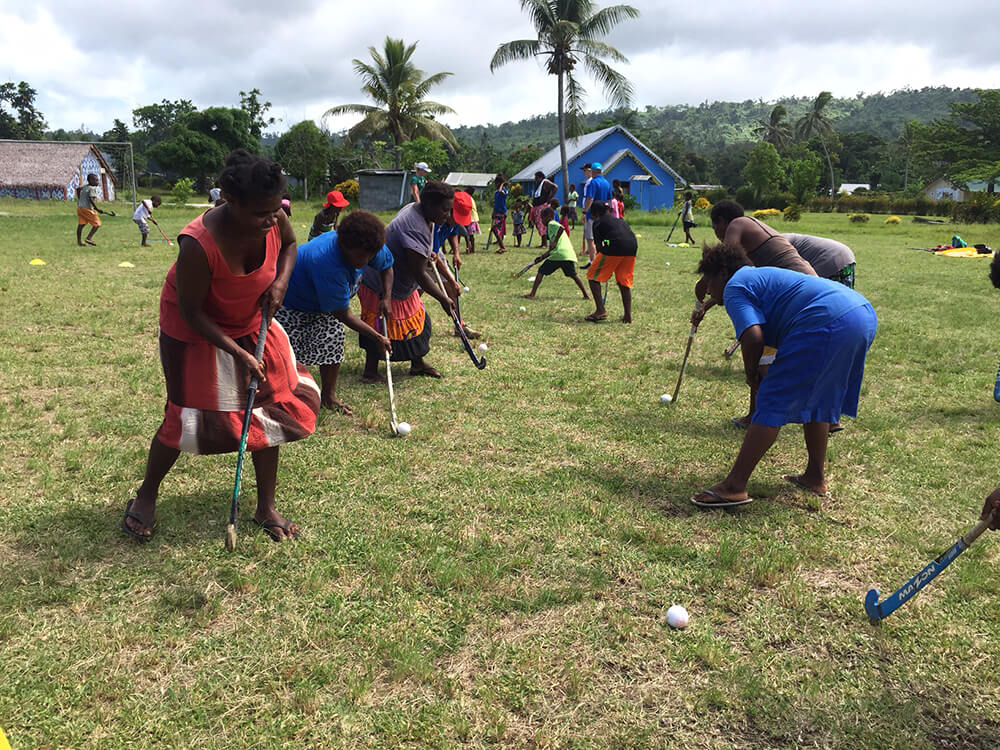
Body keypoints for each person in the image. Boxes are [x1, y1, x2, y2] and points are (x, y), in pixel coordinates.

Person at [122, 149, 320, 543]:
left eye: (275, 211)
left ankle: (265, 506)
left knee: (269, 409)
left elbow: (291, 246)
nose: (271, 220)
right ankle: (146, 495)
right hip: (193, 330)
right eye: (260, 213)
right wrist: (239, 354)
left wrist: (280, 282)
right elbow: (192, 312)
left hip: (250, 319)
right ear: (230, 201)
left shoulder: (273, 217)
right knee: (184, 414)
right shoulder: (197, 244)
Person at [690, 243, 877, 508]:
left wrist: (751, 373)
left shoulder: (735, 287)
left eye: (709, 280)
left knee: (772, 399)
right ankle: (814, 476)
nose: (708, 288)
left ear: (722, 273)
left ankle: (734, 486)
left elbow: (753, 337)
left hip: (826, 319)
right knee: (819, 399)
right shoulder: (759, 276)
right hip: (861, 313)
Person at [692, 199, 817, 428]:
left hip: (793, 296)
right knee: (771, 357)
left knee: (761, 358)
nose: (718, 235)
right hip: (805, 289)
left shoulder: (737, 225)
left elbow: (724, 259)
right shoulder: (755, 228)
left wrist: (704, 281)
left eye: (715, 228)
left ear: (721, 221)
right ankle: (811, 416)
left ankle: (759, 416)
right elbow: (733, 285)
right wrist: (706, 307)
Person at [275, 210, 394, 415]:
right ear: (343, 246)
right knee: (283, 353)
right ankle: (280, 396)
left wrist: (387, 297)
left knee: (333, 340)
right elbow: (342, 314)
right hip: (290, 302)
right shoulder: (326, 261)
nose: (365, 261)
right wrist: (375, 336)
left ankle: (328, 397)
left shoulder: (368, 244)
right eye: (359, 256)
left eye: (370, 256)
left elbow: (386, 267)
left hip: (324, 302)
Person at [357, 181, 459, 381]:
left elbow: (419, 252)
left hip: (401, 282)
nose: (448, 215)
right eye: (445, 210)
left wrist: (428, 252)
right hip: (380, 281)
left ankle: (417, 364)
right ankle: (370, 372)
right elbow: (420, 273)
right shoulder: (414, 226)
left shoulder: (421, 212)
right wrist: (443, 298)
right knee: (379, 324)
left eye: (450, 210)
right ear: (429, 204)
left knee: (418, 321)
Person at [435, 191, 481, 339]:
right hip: (423, 252)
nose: (458, 222)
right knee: (416, 290)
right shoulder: (435, 221)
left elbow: (453, 232)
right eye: (457, 217)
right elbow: (433, 256)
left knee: (451, 291)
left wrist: (456, 253)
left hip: (434, 253)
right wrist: (452, 280)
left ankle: (459, 325)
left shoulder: (452, 220)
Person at [584, 200, 638, 323]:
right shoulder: (620, 220)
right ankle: (627, 316)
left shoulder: (597, 222)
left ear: (595, 213)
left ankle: (600, 310)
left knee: (592, 276)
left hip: (615, 248)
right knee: (623, 281)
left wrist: (604, 262)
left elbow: (599, 245)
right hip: (632, 248)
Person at [522, 206, 590, 300]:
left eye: (542, 218)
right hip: (566, 254)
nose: (541, 220)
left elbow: (561, 228)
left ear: (548, 217)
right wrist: (542, 257)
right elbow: (552, 249)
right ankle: (586, 295)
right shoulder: (550, 228)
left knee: (541, 271)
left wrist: (554, 241)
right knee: (573, 275)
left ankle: (532, 294)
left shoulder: (552, 223)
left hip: (559, 254)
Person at [784, 233, 857, 288]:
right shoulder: (785, 238)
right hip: (846, 255)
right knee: (847, 296)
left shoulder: (780, 243)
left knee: (824, 295)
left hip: (829, 259)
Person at [582, 162, 612, 267]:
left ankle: (593, 262)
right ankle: (603, 261)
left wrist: (584, 211)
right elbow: (609, 200)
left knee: (590, 239)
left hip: (592, 215)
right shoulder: (607, 183)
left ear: (593, 171)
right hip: (603, 215)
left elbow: (590, 198)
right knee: (602, 239)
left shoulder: (593, 183)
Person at [76, 173, 108, 246]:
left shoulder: (85, 186)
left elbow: (78, 189)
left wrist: (79, 198)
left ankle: (79, 242)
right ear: (90, 180)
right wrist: (97, 209)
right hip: (87, 209)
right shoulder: (92, 189)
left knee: (81, 225)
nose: (97, 182)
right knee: (97, 224)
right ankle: (88, 238)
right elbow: (91, 199)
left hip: (80, 208)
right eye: (96, 180)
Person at [530, 171, 557, 249]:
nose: (536, 180)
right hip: (537, 207)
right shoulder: (539, 185)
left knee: (542, 224)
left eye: (536, 178)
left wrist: (549, 199)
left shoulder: (545, 182)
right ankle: (543, 243)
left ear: (540, 177)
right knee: (539, 225)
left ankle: (544, 244)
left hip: (542, 206)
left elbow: (555, 187)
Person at [490, 175, 509, 253]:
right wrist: (493, 212)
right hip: (497, 212)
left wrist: (502, 184)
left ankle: (503, 247)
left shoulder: (504, 191)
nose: (495, 185)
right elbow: (496, 203)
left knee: (495, 229)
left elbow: (501, 192)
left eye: (496, 183)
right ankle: (501, 245)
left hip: (501, 213)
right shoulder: (496, 193)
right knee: (497, 230)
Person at [463, 188, 481, 254]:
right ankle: (470, 248)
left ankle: (471, 249)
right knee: (469, 235)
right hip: (471, 218)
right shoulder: (470, 198)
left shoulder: (468, 199)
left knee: (468, 235)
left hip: (471, 219)